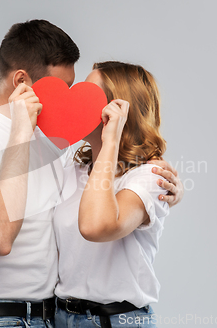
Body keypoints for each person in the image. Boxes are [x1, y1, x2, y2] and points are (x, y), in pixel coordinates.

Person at [0, 20, 183, 328]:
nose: (71, 102)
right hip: (5, 319)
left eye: (84, 94)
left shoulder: (59, 149)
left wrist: (168, 192)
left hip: (71, 318)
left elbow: (88, 221)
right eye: (68, 91)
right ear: (21, 82)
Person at [53, 61, 176, 328]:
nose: (76, 103)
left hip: (117, 321)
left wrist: (110, 141)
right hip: (60, 317)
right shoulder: (70, 168)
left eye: (89, 95)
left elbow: (96, 226)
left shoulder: (150, 177)